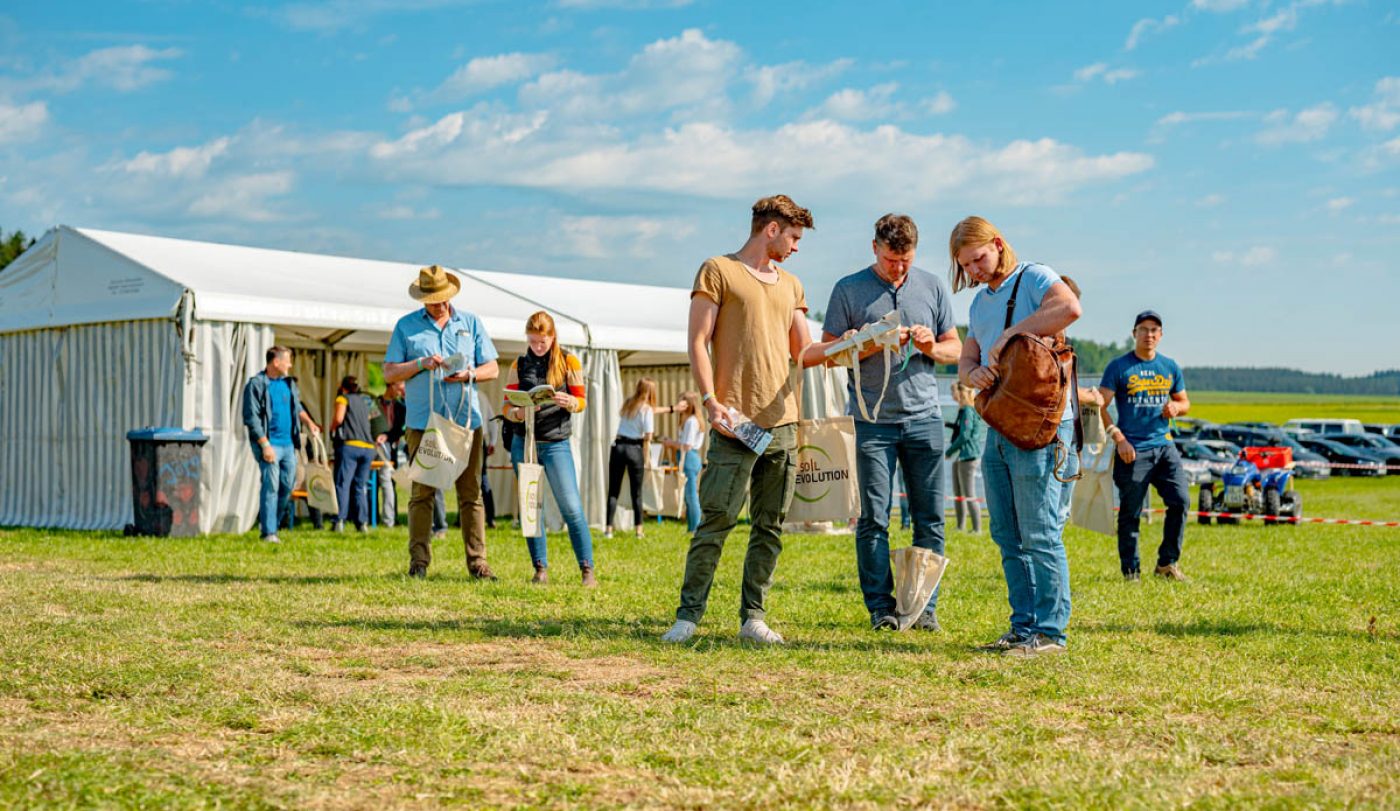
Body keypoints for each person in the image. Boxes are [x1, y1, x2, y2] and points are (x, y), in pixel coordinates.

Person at [660, 193, 838, 646]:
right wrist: (708, 399)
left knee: (770, 526)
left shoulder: (793, 284)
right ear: (771, 229)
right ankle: (688, 617)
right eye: (794, 237)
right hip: (733, 421)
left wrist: (850, 344)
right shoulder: (718, 271)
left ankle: (753, 618)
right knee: (716, 520)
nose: (797, 247)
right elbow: (698, 341)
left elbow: (806, 353)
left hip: (783, 423)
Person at [820, 214, 962, 632]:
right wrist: (869, 342)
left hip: (925, 419)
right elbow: (827, 352)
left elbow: (954, 348)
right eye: (890, 260)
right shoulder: (848, 289)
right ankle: (881, 609)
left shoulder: (932, 285)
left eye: (905, 260)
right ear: (874, 248)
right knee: (874, 518)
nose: (898, 269)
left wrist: (930, 345)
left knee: (929, 517)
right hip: (871, 422)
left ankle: (923, 608)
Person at [951, 216, 1083, 657]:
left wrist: (1011, 334)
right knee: (1007, 534)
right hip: (1000, 424)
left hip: (1041, 425)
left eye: (978, 259)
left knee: (1041, 532)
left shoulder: (1033, 276)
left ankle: (1050, 633)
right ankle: (1023, 627)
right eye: (966, 265)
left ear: (997, 244)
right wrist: (976, 373)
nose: (974, 271)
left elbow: (1069, 308)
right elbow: (966, 361)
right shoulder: (979, 303)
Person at [383, 264, 500, 580]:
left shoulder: (471, 322)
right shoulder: (406, 327)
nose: (439, 304)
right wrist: (420, 364)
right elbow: (389, 372)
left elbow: (493, 368)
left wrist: (470, 374)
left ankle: (478, 563)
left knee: (471, 493)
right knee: (422, 493)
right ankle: (418, 563)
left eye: (443, 297)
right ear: (422, 298)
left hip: (465, 421)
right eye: (432, 299)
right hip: (423, 421)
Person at [1097, 310, 1192, 582]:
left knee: (1180, 501)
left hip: (1164, 446)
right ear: (1134, 334)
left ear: (1160, 335)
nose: (1149, 335)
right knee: (1131, 512)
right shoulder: (1119, 367)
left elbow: (1185, 402)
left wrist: (1177, 407)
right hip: (1133, 450)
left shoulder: (1170, 366)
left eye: (1154, 330)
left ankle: (1167, 564)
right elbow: (1100, 405)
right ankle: (1131, 571)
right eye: (1143, 329)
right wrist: (1118, 438)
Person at [503, 311, 595, 586]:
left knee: (571, 506)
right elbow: (506, 407)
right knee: (532, 507)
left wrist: (570, 402)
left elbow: (582, 402)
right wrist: (516, 413)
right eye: (532, 341)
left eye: (542, 342)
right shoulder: (518, 364)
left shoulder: (569, 361)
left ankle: (587, 568)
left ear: (552, 337)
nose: (537, 347)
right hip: (525, 442)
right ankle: (540, 568)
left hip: (556, 443)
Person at [242, 346, 321, 543]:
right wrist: (264, 445)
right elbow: (251, 418)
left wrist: (310, 423)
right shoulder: (257, 384)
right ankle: (268, 532)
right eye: (288, 360)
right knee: (271, 485)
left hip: (289, 445)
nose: (290, 364)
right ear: (276, 362)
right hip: (270, 444)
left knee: (287, 486)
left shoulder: (289, 384)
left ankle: (271, 526)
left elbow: (298, 407)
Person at [605, 378, 687, 539]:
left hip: (618, 447)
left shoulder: (629, 403)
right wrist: (647, 458)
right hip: (635, 449)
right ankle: (639, 530)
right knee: (637, 492)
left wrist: (672, 409)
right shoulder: (647, 410)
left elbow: (652, 410)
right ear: (651, 392)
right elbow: (648, 436)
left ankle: (608, 529)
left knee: (613, 490)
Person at [329, 375, 379, 533]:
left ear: (343, 388)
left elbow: (338, 418)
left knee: (343, 484)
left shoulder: (343, 399)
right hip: (368, 447)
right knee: (360, 486)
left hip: (350, 445)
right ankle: (362, 523)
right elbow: (373, 418)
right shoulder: (366, 400)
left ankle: (339, 521)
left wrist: (331, 428)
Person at [661, 391, 706, 534]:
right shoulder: (687, 420)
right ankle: (691, 526)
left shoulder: (692, 421)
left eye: (682, 402)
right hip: (686, 457)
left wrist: (670, 443)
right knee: (688, 494)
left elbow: (687, 445)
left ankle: (695, 527)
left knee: (691, 494)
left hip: (689, 457)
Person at [946, 383, 987, 534]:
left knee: (969, 494)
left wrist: (949, 451)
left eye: (953, 392)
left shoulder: (969, 411)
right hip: (960, 457)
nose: (952, 396)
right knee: (958, 493)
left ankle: (977, 529)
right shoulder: (962, 411)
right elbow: (960, 429)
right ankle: (960, 526)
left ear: (962, 393)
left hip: (968, 456)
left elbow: (965, 435)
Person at [372, 380, 406, 528]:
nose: (401, 391)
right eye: (399, 388)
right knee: (373, 485)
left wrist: (388, 436)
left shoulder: (401, 407)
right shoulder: (374, 404)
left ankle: (392, 517)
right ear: (391, 386)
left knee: (390, 483)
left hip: (390, 448)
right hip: (372, 447)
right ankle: (372, 517)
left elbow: (401, 429)